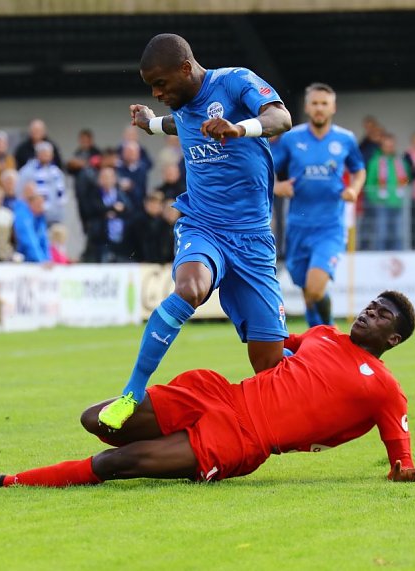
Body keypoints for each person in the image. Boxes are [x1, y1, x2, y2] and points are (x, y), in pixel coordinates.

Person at [0, 291, 415, 488]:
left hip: (244, 440)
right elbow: (270, 342)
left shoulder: (385, 387)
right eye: (371, 305)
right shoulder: (323, 335)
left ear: (393, 339)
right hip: (219, 394)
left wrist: (403, 470)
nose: (369, 311)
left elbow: (399, 448)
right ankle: (171, 450)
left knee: (120, 465)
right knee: (95, 419)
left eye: (382, 315)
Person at [99, 33, 292, 429]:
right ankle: (132, 393)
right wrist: (148, 124)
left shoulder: (235, 82)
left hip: (253, 238)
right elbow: (177, 123)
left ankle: (317, 373)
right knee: (190, 288)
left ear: (186, 69)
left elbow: (281, 118)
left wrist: (240, 129)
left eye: (161, 84)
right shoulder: (182, 106)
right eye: (150, 86)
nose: (156, 93)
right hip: (202, 226)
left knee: (270, 364)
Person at [271, 83, 366, 328]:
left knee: (315, 288)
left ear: (333, 107)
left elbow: (359, 170)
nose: (319, 108)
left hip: (330, 228)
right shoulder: (291, 139)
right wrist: (276, 187)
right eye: (315, 103)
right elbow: (266, 169)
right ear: (307, 107)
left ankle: (330, 329)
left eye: (324, 103)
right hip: (298, 227)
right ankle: (320, 336)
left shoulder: (345, 139)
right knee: (307, 292)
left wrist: (354, 189)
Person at [363, 133, 409, 251]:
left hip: (398, 203)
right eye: (387, 145)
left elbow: (407, 179)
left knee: (398, 233)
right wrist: (375, 199)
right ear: (382, 147)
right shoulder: (375, 162)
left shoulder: (400, 161)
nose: (390, 148)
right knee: (381, 233)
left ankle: (398, 257)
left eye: (391, 145)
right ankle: (380, 257)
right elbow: (369, 183)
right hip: (381, 204)